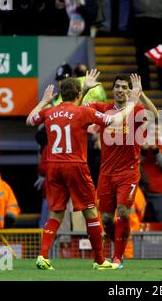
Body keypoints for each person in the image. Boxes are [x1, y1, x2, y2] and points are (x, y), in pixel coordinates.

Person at [26, 74, 142, 270]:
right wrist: (132, 101)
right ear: (79, 94)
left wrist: (44, 101)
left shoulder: (50, 112)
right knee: (90, 212)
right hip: (75, 166)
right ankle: (99, 260)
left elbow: (30, 120)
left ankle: (43, 256)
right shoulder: (82, 112)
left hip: (53, 167)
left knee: (55, 213)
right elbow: (115, 120)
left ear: (61, 95)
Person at [85, 73, 158, 269]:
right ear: (113, 89)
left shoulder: (136, 110)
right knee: (107, 219)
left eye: (124, 87)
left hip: (129, 172)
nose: (119, 90)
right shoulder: (104, 109)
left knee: (123, 212)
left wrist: (140, 95)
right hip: (106, 173)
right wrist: (86, 89)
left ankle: (118, 257)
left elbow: (155, 116)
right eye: (117, 86)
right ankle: (115, 246)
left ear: (129, 91)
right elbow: (81, 109)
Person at [140, 124, 162, 223]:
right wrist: (144, 150)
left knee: (160, 222)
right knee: (141, 221)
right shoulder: (141, 144)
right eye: (152, 130)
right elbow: (135, 163)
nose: (154, 133)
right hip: (142, 191)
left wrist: (155, 149)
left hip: (158, 192)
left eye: (157, 130)